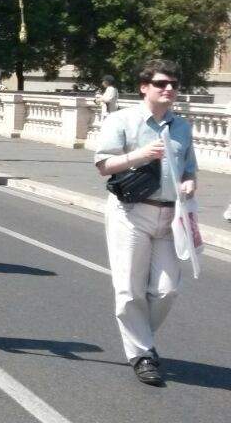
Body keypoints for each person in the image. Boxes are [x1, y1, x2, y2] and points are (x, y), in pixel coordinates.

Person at [94, 59, 198, 386]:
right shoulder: (121, 120)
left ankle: (141, 338)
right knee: (128, 290)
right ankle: (142, 354)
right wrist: (141, 155)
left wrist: (189, 182)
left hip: (170, 216)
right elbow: (103, 164)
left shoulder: (181, 127)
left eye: (174, 84)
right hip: (131, 212)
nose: (169, 89)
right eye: (161, 84)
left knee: (167, 290)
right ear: (144, 87)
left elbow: (189, 168)